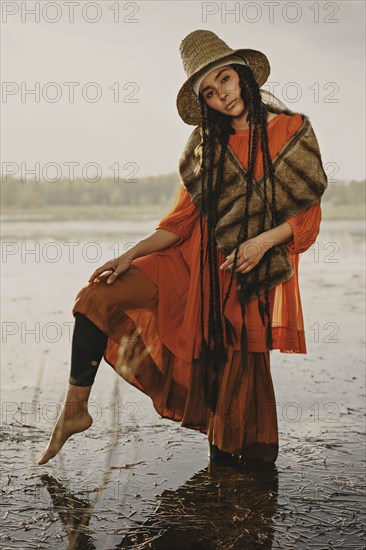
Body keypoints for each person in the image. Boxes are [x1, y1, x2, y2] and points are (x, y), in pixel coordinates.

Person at [37, 30, 327, 466]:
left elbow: (307, 216)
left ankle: (235, 498)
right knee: (96, 296)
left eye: (225, 80)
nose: (222, 95)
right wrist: (131, 253)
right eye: (209, 92)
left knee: (231, 415)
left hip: (244, 276)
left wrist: (262, 242)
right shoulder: (205, 147)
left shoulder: (292, 130)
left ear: (243, 75)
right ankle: (75, 411)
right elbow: (179, 224)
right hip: (188, 265)